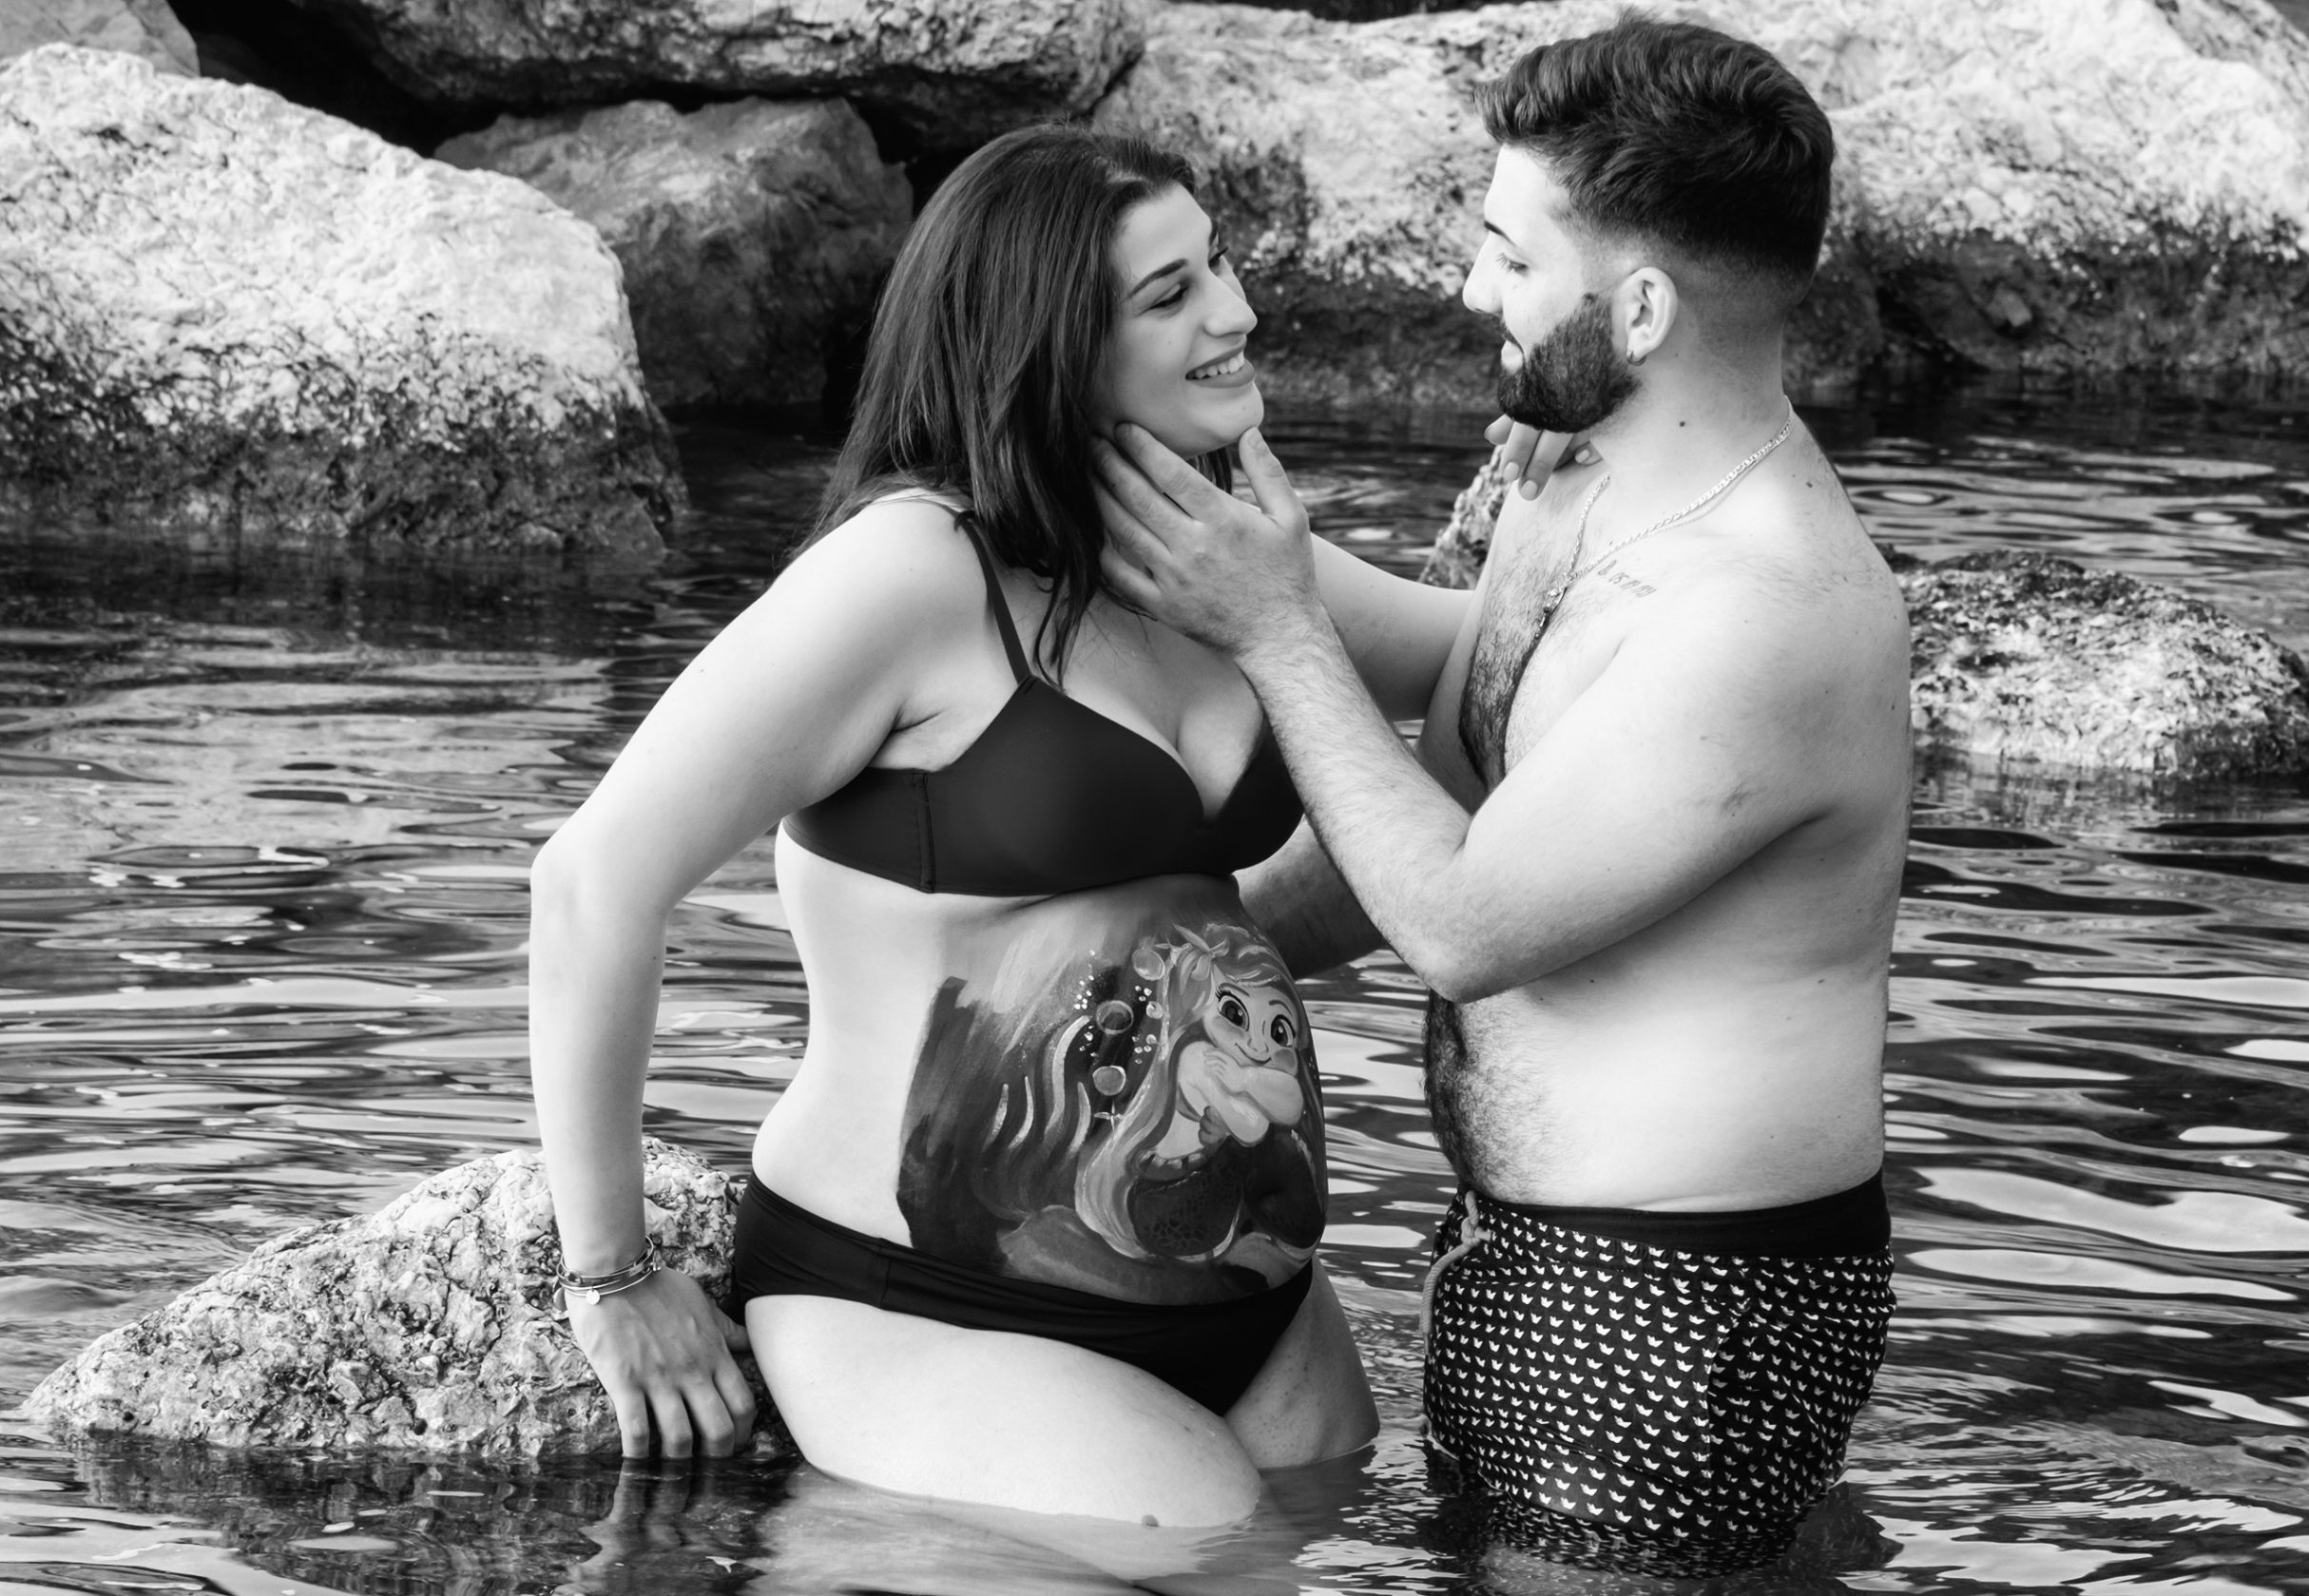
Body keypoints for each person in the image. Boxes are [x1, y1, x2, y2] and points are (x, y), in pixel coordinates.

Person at [524, 123, 1487, 1529]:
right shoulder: (909, 574)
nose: (1236, 313)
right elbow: (593, 879)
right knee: (1211, 1549)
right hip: (924, 1299)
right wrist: (609, 1272)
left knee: (1327, 1538)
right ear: (1048, 347)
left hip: (1262, 1320)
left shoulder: (1220, 562)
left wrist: (1592, 476)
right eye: (1171, 294)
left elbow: (1492, 656)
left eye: (1221, 264)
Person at [1091, 16, 1910, 1578]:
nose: (1475, 292)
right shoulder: (1580, 483)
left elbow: (1462, 922)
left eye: (1511, 257)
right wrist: (1128, 981)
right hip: (1522, 1250)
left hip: (1687, 1301)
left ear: (1642, 308)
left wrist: (1275, 627)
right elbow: (1441, 796)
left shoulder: (1769, 613)